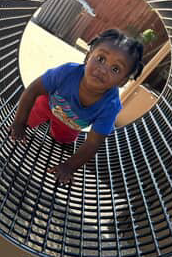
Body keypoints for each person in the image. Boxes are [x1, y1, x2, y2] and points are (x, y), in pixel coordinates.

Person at [10, 29, 144, 185]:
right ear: (88, 56)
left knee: (63, 140)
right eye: (100, 59)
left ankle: (54, 127)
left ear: (122, 81)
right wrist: (19, 123)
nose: (102, 69)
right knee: (26, 120)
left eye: (115, 69)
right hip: (48, 104)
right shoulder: (67, 72)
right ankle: (34, 120)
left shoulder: (111, 106)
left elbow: (93, 143)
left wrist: (69, 167)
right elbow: (32, 90)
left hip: (72, 123)